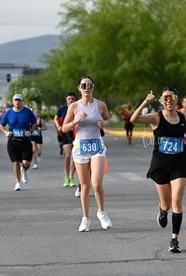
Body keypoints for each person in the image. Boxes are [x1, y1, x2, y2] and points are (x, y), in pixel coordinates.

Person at [130, 88, 186, 253]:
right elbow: (133, 119)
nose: (169, 100)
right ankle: (162, 211)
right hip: (161, 164)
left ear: (176, 100)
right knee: (167, 203)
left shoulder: (184, 118)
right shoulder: (156, 117)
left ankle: (174, 239)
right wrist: (145, 102)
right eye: (165, 97)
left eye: (172, 97)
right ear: (162, 101)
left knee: (176, 200)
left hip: (179, 162)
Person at [62, 76, 112, 232]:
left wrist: (105, 123)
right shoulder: (74, 107)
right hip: (80, 148)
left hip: (97, 146)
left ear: (93, 87)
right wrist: (75, 121)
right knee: (85, 185)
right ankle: (85, 218)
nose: (86, 87)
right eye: (84, 85)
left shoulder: (100, 105)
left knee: (96, 183)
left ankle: (102, 212)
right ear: (79, 88)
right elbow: (64, 128)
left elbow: (108, 119)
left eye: (89, 85)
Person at [0, 93, 37, 191]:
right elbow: (1, 125)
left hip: (25, 141)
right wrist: (6, 132)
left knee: (26, 163)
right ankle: (17, 183)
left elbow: (35, 123)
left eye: (19, 100)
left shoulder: (27, 112)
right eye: (15, 100)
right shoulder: (9, 113)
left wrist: (31, 131)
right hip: (13, 141)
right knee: (15, 162)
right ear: (12, 101)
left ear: (22, 101)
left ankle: (24, 170)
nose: (17, 102)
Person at [54, 92, 77, 188]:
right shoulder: (62, 109)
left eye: (73, 98)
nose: (71, 100)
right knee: (68, 155)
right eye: (69, 99)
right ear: (66, 100)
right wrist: (59, 126)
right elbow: (55, 118)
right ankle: (66, 176)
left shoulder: (78, 108)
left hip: (76, 133)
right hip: (65, 133)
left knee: (74, 156)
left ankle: (71, 177)